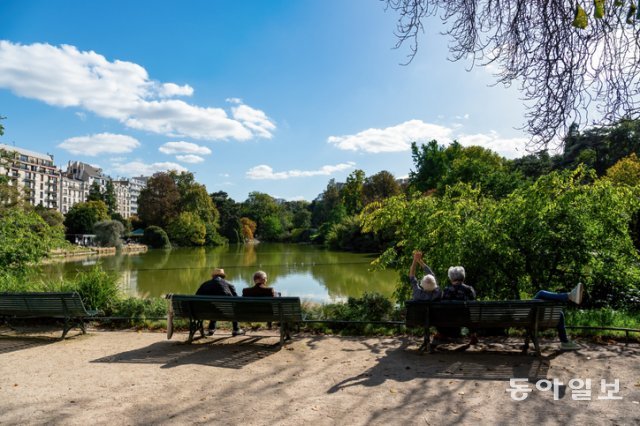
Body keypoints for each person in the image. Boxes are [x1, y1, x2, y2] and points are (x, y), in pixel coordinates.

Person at [195, 268, 245, 337]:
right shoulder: (229, 284)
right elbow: (236, 299)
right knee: (232, 306)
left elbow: (196, 298)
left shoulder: (205, 284)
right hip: (228, 312)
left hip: (208, 313)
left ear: (213, 276)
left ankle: (211, 329)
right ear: (223, 276)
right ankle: (236, 329)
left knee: (213, 306)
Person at [436, 265, 478, 345]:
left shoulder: (447, 290)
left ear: (451, 278)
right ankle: (473, 335)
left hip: (449, 318)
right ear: (463, 277)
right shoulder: (469, 289)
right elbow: (473, 302)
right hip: (465, 318)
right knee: (471, 314)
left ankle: (442, 334)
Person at [534, 283, 584, 350]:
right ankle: (569, 296)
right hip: (533, 318)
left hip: (532, 317)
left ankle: (565, 342)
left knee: (559, 314)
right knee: (541, 293)